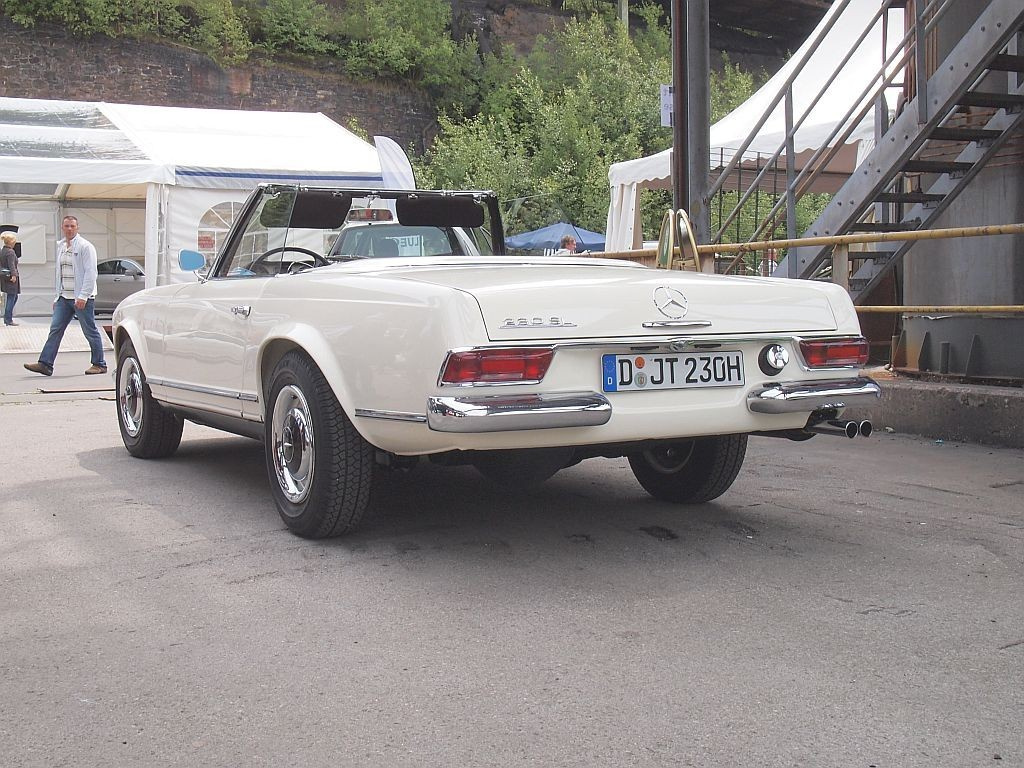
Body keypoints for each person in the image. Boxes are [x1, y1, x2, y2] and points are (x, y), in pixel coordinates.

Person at [24, 215, 108, 376]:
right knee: (55, 329)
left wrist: (83, 296)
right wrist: (57, 296)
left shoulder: (85, 247)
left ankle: (99, 364)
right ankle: (45, 364)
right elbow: (59, 273)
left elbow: (91, 273)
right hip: (64, 297)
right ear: (62, 228)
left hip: (81, 298)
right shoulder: (61, 247)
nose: (69, 229)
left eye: (72, 226)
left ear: (77, 228)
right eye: (67, 226)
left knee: (89, 331)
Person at [1, 231, 19, 326]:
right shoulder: (10, 252)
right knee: (12, 297)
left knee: (13, 296)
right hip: (11, 277)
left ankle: (7, 317)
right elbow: (11, 265)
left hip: (4, 276)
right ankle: (8, 319)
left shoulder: (3, 250)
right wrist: (14, 275)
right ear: (11, 242)